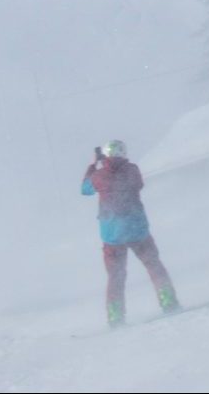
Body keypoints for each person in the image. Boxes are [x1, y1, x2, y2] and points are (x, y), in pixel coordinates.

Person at [81, 140, 180, 327]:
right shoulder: (133, 170)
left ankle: (115, 317)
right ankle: (168, 302)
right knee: (154, 266)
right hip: (137, 230)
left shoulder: (99, 176)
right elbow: (138, 184)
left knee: (115, 277)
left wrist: (93, 165)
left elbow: (84, 189)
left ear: (106, 155)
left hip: (113, 234)